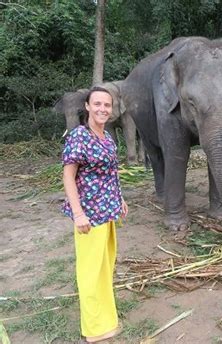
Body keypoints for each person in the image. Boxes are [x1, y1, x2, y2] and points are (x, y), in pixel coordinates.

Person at [61, 86, 128, 343]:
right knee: (90, 271)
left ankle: (105, 317)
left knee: (104, 267)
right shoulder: (80, 136)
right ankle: (94, 329)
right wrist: (78, 214)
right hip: (89, 216)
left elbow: (111, 172)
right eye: (97, 104)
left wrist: (120, 198)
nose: (102, 109)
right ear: (87, 107)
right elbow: (68, 176)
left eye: (107, 105)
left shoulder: (106, 137)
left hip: (107, 212)